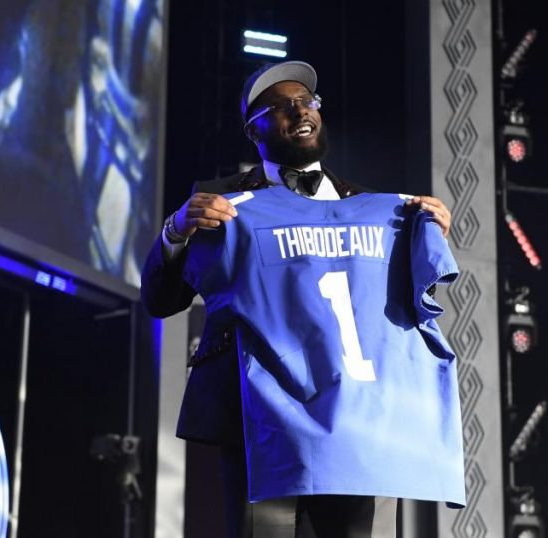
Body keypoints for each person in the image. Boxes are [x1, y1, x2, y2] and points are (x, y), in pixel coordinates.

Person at [141, 60, 455, 537]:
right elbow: (161, 301)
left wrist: (425, 236)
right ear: (254, 130)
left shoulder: (377, 209)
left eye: (307, 100)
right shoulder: (219, 201)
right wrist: (174, 232)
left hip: (360, 414)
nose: (300, 110)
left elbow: (399, 310)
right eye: (281, 106)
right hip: (257, 419)